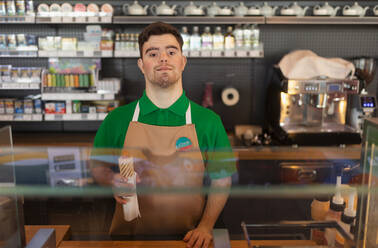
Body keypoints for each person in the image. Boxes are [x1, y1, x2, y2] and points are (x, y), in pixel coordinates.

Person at [91, 22, 236, 248]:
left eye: (171, 51)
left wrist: (206, 226)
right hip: (130, 241)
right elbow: (98, 167)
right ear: (141, 65)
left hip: (190, 240)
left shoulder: (209, 122)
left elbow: (222, 179)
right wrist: (111, 179)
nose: (163, 59)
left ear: (183, 61)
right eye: (153, 53)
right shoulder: (117, 120)